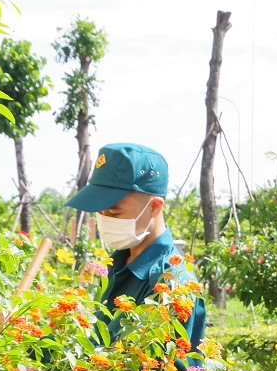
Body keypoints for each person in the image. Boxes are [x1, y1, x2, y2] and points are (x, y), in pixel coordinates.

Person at [64, 142, 207, 353]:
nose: (104, 219)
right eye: (99, 212)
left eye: (113, 213)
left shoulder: (171, 289)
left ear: (154, 206)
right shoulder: (115, 266)